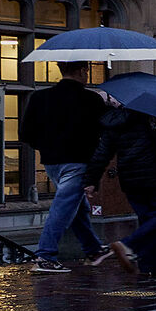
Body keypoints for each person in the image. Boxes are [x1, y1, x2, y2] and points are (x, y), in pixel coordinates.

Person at [85, 106, 156, 284]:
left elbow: (102, 153)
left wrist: (91, 180)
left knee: (148, 222)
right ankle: (128, 245)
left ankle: (153, 266)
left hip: (131, 180)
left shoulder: (115, 121)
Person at [20, 75, 114, 271]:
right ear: (81, 71)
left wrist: (46, 147)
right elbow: (107, 131)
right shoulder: (91, 99)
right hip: (78, 161)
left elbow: (25, 134)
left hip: (51, 162)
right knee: (63, 207)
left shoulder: (39, 97)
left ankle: (93, 248)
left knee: (76, 206)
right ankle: (45, 255)